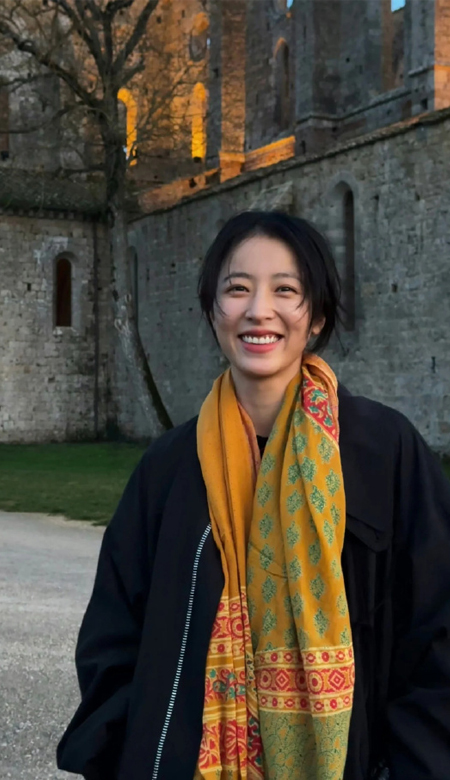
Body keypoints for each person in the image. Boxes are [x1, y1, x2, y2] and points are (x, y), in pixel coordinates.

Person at [57, 211, 450, 780]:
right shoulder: (167, 468)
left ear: (316, 316)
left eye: (285, 290)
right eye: (237, 288)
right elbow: (112, 639)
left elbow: (436, 635)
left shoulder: (384, 452)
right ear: (213, 310)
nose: (258, 310)